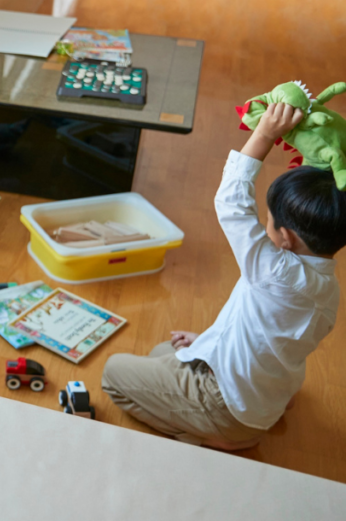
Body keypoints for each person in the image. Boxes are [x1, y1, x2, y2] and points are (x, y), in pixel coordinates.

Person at [101, 102, 345, 450]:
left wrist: (263, 134)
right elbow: (266, 333)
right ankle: (265, 407)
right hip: (264, 387)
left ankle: (220, 436)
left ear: (286, 239)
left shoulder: (272, 269)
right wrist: (208, 341)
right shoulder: (328, 288)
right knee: (164, 351)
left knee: (113, 372)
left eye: (269, 222)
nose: (265, 227)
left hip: (227, 405)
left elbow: (232, 202)